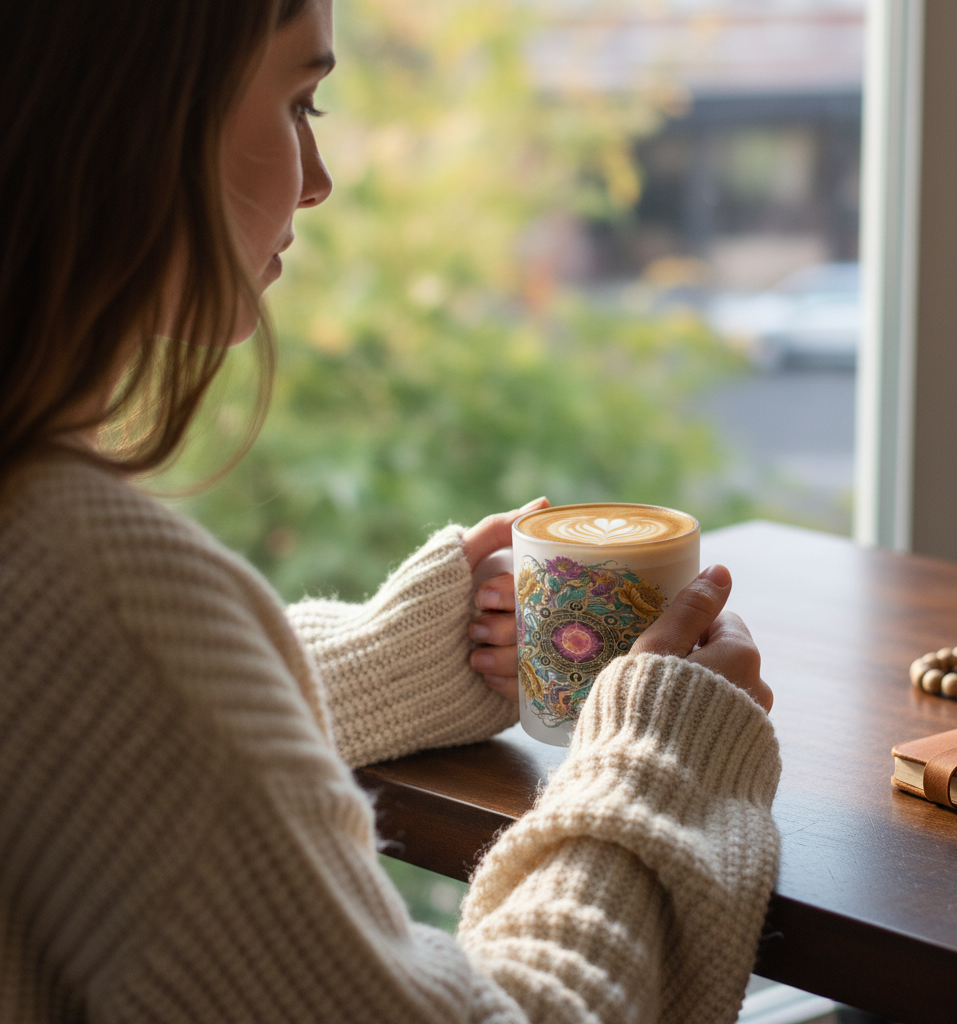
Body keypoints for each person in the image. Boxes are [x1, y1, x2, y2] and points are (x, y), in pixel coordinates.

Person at [0, 1, 780, 1021]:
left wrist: (389, 658)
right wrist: (663, 763)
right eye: (298, 100)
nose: (317, 180)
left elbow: (92, 742)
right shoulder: (91, 579)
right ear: (125, 119)